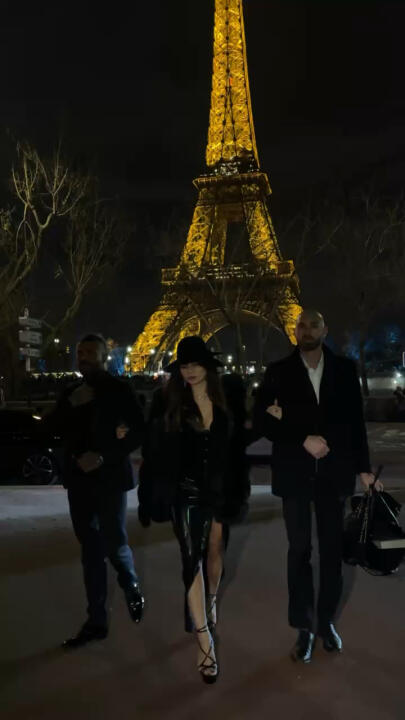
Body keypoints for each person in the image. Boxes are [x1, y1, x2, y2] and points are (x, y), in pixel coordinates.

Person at [253, 309, 383, 664]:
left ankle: (325, 622)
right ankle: (303, 627)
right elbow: (261, 421)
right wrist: (301, 438)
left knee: (331, 552)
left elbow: (355, 424)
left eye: (313, 325)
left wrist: (364, 470)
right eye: (301, 325)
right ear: (294, 331)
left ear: (325, 330)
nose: (306, 330)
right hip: (294, 474)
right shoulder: (277, 372)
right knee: (298, 551)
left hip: (334, 473)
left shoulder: (344, 370)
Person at [138, 336, 237, 684]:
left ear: (207, 366)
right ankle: (203, 638)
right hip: (184, 490)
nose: (190, 371)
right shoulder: (168, 402)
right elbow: (152, 449)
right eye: (184, 365)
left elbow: (237, 445)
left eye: (196, 364)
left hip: (218, 489)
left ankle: (210, 600)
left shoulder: (226, 400)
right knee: (190, 556)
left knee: (215, 550)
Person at [44, 333, 145, 649]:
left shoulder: (119, 390)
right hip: (80, 482)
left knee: (114, 543)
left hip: (110, 479)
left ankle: (129, 581)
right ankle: (96, 620)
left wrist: (103, 456)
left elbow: (138, 430)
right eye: (80, 352)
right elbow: (51, 429)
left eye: (90, 352)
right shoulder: (71, 393)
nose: (84, 357)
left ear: (104, 357)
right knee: (90, 552)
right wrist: (69, 407)